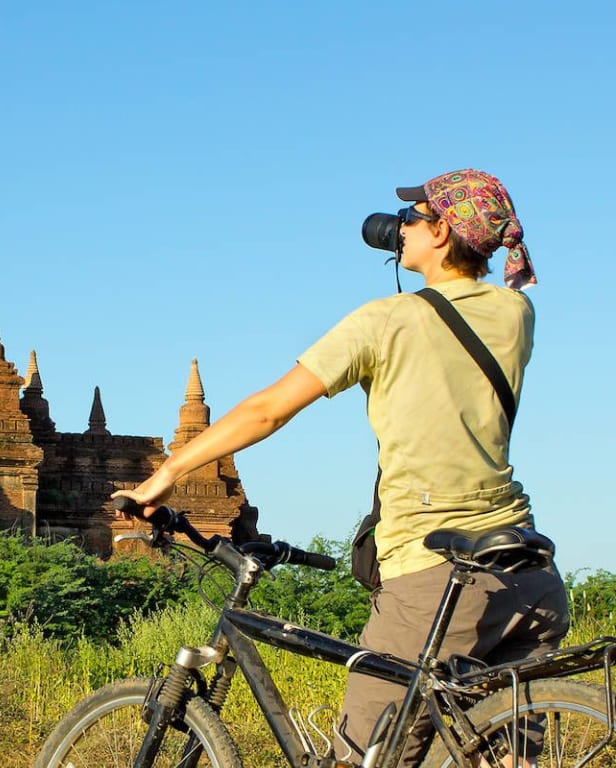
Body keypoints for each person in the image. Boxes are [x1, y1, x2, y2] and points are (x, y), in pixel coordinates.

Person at [111, 169, 566, 767]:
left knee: (362, 760)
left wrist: (165, 475)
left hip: (433, 575)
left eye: (412, 219)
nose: (399, 229)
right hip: (528, 572)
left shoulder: (386, 320)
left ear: (444, 233)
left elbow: (268, 410)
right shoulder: (515, 314)